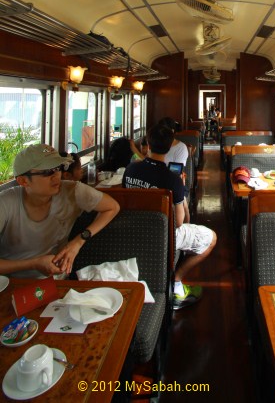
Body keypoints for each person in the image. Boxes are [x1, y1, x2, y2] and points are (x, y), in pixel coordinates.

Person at [122, 124, 217, 310]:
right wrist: (180, 190)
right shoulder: (172, 178)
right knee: (212, 238)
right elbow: (180, 222)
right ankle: (178, 280)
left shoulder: (131, 169)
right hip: (162, 234)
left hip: (132, 227)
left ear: (147, 144)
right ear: (169, 147)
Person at [0, 144, 120, 278]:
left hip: (55, 283)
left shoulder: (72, 191)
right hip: (9, 284)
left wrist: (79, 241)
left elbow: (112, 207)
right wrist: (34, 263)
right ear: (23, 181)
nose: (56, 176)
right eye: (46, 172)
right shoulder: (5, 202)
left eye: (57, 168)